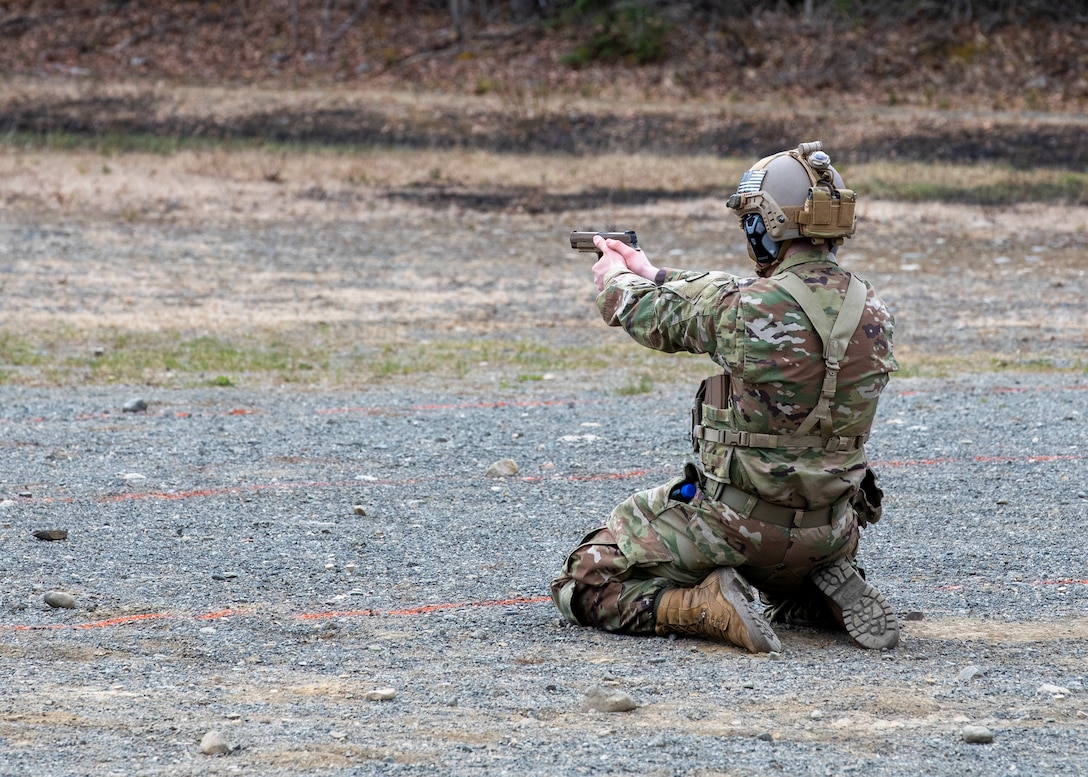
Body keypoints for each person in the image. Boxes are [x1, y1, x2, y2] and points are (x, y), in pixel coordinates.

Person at [550, 141, 899, 652]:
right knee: (799, 552)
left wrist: (617, 279)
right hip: (830, 530)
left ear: (767, 225)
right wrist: (655, 273)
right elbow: (730, 295)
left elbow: (649, 314)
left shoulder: (744, 310)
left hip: (737, 527)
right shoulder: (874, 310)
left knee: (585, 581)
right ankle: (812, 592)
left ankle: (701, 606)